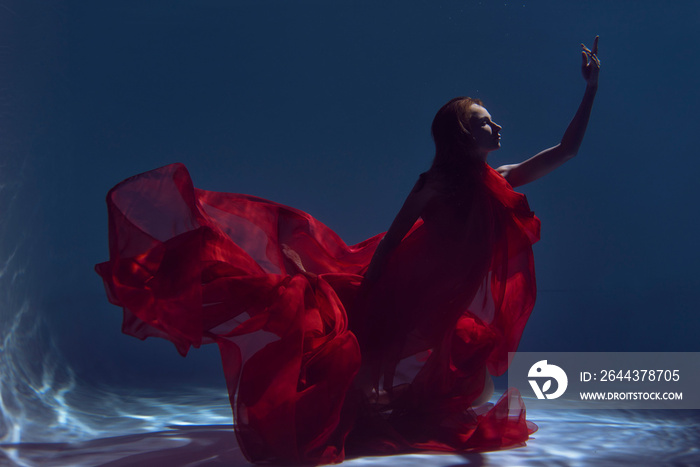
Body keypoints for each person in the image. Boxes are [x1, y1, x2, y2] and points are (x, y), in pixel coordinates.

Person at [96, 37, 599, 465]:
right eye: (487, 122)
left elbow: (567, 151)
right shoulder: (434, 187)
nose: (499, 128)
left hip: (445, 297)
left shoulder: (499, 180)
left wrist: (590, 88)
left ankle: (353, 407)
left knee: (440, 374)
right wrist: (372, 294)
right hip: (405, 288)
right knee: (348, 348)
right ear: (465, 134)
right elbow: (397, 237)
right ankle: (188, 268)